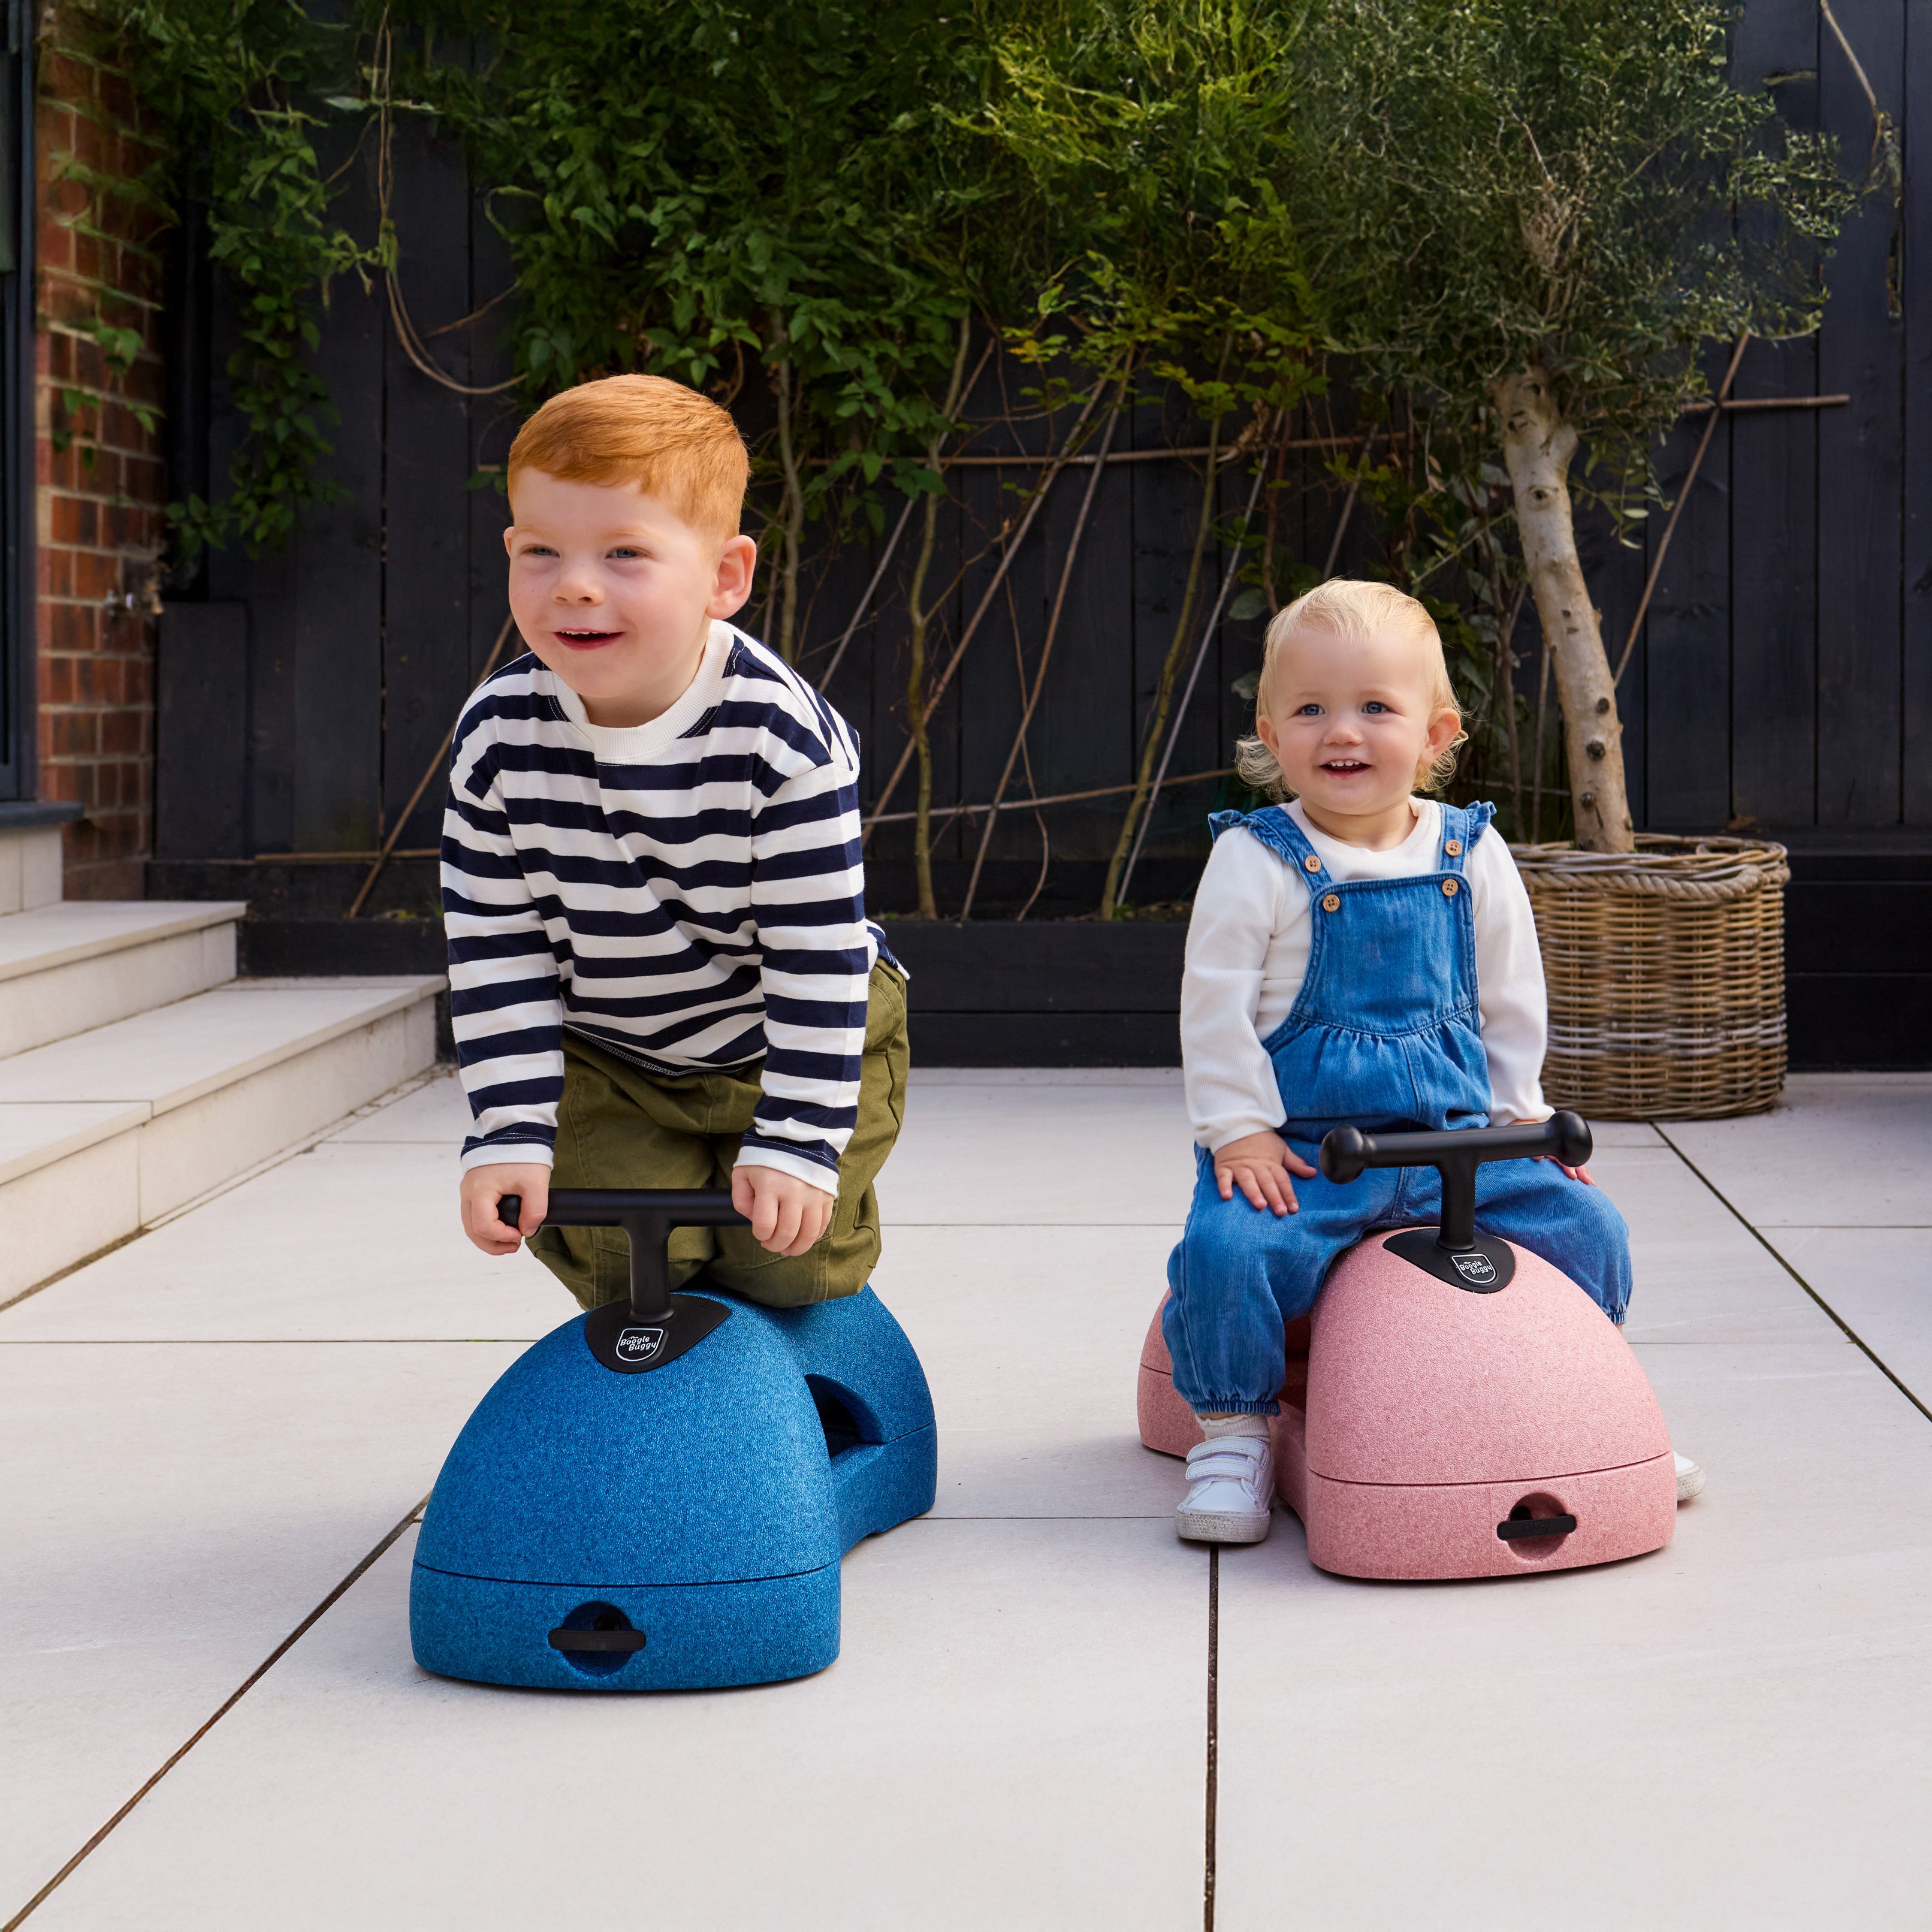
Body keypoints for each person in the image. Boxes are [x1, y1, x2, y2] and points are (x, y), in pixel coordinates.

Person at [1166, 578, 1702, 1544]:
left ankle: (1587, 1392)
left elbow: (1508, 997)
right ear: (1270, 731)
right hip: (1307, 1151)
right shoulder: (1257, 859)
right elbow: (1214, 1009)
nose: (1345, 732)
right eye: (1313, 709)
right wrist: (1236, 1130)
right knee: (1226, 1252)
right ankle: (1234, 1429)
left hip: (1457, 1142)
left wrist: (1517, 1114)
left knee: (1590, 1225)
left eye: (1377, 707)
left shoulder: (1472, 851)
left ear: (1437, 733)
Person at [443, 373, 907, 1310]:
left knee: (786, 1263)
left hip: (786, 1028)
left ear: (724, 578)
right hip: (614, 1053)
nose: (575, 584)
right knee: (629, 1266)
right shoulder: (496, 741)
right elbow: (499, 956)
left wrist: (799, 1142)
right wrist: (510, 1133)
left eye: (624, 553)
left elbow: (812, 959)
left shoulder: (780, 742)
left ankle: (799, 1204)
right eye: (542, 550)